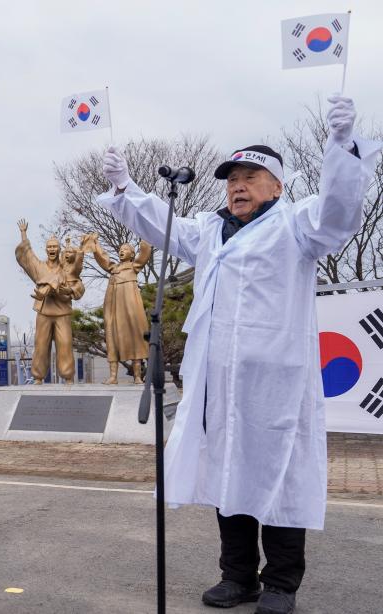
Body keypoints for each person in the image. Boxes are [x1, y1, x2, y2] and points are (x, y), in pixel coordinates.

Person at [96, 95, 380, 614]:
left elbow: (341, 212)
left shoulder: (297, 223)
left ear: (276, 185)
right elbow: (161, 222)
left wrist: (341, 149)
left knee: (280, 476)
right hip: (220, 381)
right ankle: (238, 577)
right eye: (231, 179)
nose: (238, 186)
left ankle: (281, 585)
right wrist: (124, 186)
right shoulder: (209, 229)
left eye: (250, 176)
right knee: (229, 474)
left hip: (277, 383)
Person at [15, 223, 85, 384]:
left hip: (63, 313)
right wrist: (24, 234)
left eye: (55, 247)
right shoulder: (40, 267)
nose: (52, 249)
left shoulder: (67, 268)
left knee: (65, 344)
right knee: (40, 345)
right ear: (46, 250)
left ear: (59, 249)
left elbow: (78, 285)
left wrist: (70, 290)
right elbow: (28, 256)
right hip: (44, 312)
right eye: (50, 247)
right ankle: (38, 377)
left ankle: (68, 377)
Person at [84, 233, 151, 384]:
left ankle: (137, 376)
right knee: (111, 336)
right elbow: (103, 258)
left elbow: (145, 253)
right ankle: (113, 376)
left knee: (136, 335)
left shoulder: (134, 267)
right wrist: (95, 244)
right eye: (120, 249)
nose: (122, 251)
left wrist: (145, 233)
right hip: (113, 306)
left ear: (132, 254)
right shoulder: (113, 268)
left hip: (130, 307)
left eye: (126, 249)